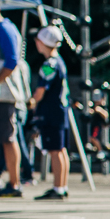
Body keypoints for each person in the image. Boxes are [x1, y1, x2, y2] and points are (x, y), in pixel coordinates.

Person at [0, 1, 28, 197]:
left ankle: (14, 183)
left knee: (7, 137)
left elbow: (11, 61)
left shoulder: (5, 28)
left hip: (4, 93)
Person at [30, 26, 70, 200]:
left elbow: (41, 90)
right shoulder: (59, 61)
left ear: (43, 43)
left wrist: (32, 101)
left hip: (51, 112)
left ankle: (58, 188)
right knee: (61, 150)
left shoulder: (49, 64)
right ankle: (62, 185)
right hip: (60, 111)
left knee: (55, 150)